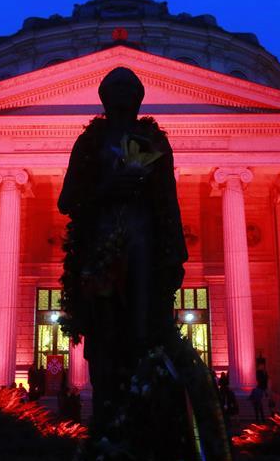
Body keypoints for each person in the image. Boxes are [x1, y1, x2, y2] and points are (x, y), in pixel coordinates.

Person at [57, 67, 188, 431]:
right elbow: (66, 200)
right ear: (104, 98)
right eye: (116, 90)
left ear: (139, 97)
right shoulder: (91, 143)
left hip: (144, 243)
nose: (124, 97)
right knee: (105, 330)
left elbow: (169, 200)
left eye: (130, 90)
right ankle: (106, 416)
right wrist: (106, 188)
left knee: (144, 326)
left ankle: (144, 415)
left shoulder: (153, 142)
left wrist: (177, 254)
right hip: (100, 247)